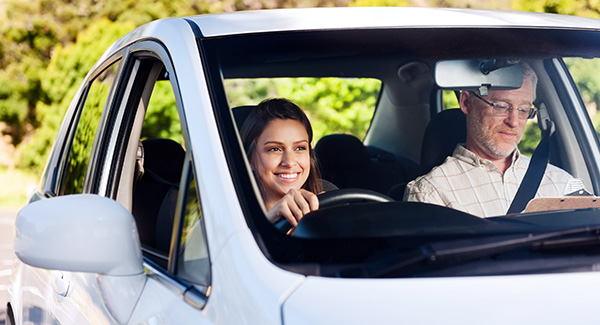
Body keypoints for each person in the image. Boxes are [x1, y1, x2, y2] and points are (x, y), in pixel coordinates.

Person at [404, 63, 574, 218]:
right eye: (500, 106)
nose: (514, 121)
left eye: (523, 110)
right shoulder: (431, 193)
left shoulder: (562, 183)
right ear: (466, 102)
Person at [241, 98, 330, 228]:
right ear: (249, 160)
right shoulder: (229, 215)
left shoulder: (329, 195)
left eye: (299, 148)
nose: (289, 162)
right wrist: (271, 220)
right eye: (274, 149)